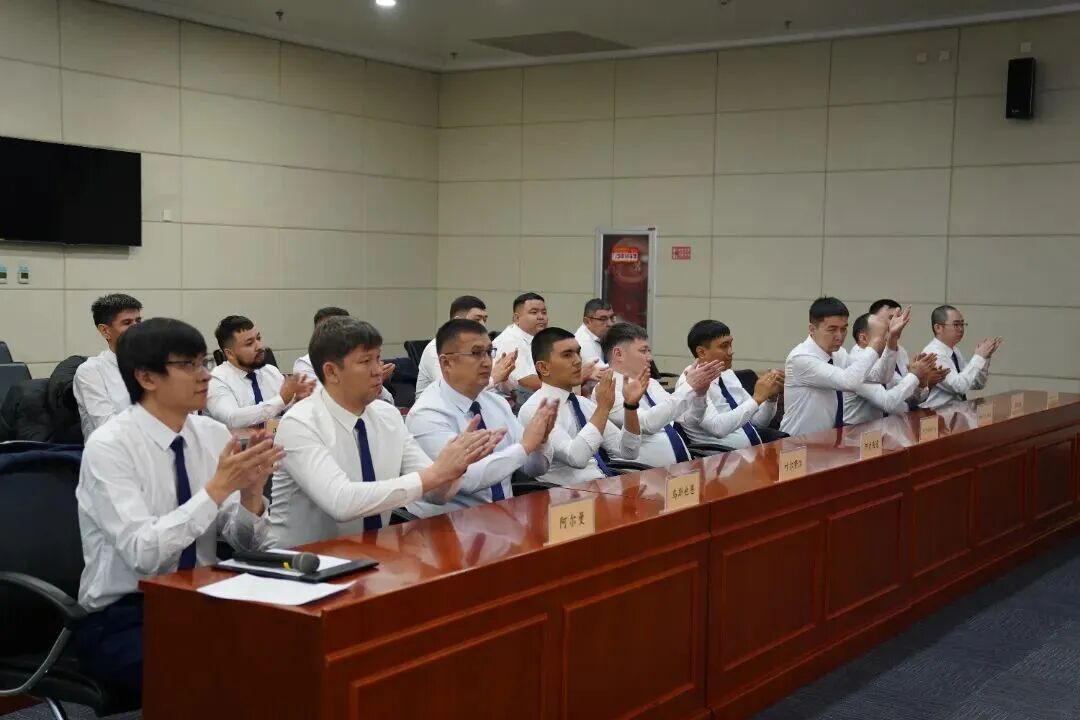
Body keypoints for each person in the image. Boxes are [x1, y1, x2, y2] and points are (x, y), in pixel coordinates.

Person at [75, 318, 284, 711]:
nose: (205, 375)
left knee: (292, 645)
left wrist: (251, 495)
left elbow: (243, 543)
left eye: (204, 362)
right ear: (146, 377)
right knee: (216, 669)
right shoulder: (110, 447)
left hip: (202, 596)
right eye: (188, 365)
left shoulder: (210, 434)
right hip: (126, 612)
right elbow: (144, 554)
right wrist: (216, 489)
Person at [269, 317, 498, 547]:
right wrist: (434, 475)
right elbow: (341, 502)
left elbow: (435, 494)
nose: (378, 370)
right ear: (331, 372)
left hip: (373, 554)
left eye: (378, 358)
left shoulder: (388, 415)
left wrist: (454, 468)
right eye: (365, 361)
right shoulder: (299, 423)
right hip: (301, 560)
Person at [406, 319, 558, 516]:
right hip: (449, 524)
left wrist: (540, 442)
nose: (487, 362)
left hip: (505, 518)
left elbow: (534, 469)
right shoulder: (427, 414)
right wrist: (526, 446)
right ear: (447, 362)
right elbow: (466, 479)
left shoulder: (497, 403)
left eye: (488, 352)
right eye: (476, 353)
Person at [518, 327, 644, 485]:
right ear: (543, 368)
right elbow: (576, 458)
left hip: (602, 487)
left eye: (578, 352)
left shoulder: (582, 403)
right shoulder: (535, 409)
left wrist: (630, 407)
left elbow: (628, 452)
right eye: (567, 355)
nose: (578, 361)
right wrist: (603, 408)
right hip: (566, 495)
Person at [780, 297, 910, 437]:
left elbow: (881, 377)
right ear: (812, 329)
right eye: (832, 329)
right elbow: (849, 382)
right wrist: (874, 345)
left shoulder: (839, 354)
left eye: (843, 329)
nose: (839, 336)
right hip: (797, 442)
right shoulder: (800, 358)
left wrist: (892, 339)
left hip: (828, 439)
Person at [602, 322, 723, 466]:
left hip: (681, 468)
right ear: (618, 354)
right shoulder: (606, 389)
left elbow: (688, 420)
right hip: (643, 473)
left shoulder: (652, 384)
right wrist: (688, 387)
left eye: (649, 351)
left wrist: (700, 394)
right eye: (643, 351)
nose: (650, 358)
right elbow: (646, 424)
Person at [677, 320, 785, 449]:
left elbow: (757, 422)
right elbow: (717, 428)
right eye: (724, 346)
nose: (730, 352)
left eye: (730, 344)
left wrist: (770, 398)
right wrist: (757, 399)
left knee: (794, 452)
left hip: (752, 452)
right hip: (719, 456)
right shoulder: (689, 383)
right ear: (702, 352)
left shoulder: (727, 374)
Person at [206, 315, 315, 429]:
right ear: (230, 354)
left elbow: (287, 411)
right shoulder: (216, 379)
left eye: (258, 338)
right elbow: (231, 419)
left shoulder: (271, 371)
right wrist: (281, 400)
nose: (260, 346)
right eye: (249, 343)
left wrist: (298, 400)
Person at [843, 313, 946, 424]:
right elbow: (889, 404)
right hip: (856, 430)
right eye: (883, 335)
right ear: (863, 338)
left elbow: (905, 398)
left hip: (882, 428)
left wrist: (921, 383)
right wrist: (914, 376)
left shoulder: (883, 360)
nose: (888, 338)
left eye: (889, 333)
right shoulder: (857, 363)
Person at [415, 295, 515, 397]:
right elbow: (452, 390)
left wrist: (504, 376)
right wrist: (494, 378)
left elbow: (504, 389)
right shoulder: (436, 348)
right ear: (457, 321)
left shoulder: (484, 346)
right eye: (477, 320)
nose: (483, 326)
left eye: (484, 320)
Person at [73, 293, 143, 439]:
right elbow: (108, 428)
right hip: (113, 450)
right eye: (127, 323)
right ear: (105, 331)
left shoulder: (153, 364)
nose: (137, 328)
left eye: (138, 321)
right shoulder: (91, 371)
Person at [292, 307, 396, 404]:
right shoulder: (305, 363)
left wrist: (376, 384)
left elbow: (389, 401)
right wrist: (364, 384)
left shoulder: (357, 357)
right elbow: (325, 400)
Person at [920, 305, 1002, 409]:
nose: (961, 329)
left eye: (962, 324)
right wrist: (978, 357)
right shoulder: (934, 353)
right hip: (936, 414)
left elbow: (977, 383)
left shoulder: (954, 351)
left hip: (955, 412)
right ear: (938, 328)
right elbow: (959, 386)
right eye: (956, 324)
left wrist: (985, 358)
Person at [491, 292, 549, 398]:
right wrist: (562, 383)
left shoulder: (539, 338)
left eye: (544, 312)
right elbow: (526, 382)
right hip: (511, 401)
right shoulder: (509, 340)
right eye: (534, 312)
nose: (541, 317)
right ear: (516, 318)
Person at [869, 299, 911, 379]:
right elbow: (885, 380)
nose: (898, 323)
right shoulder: (864, 353)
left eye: (899, 318)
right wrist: (914, 377)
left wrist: (921, 381)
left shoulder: (901, 351)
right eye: (891, 318)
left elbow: (901, 384)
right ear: (872, 321)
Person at [574, 298, 616, 369]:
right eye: (603, 319)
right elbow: (603, 373)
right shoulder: (583, 343)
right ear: (587, 321)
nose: (610, 324)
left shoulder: (600, 336)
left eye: (612, 317)